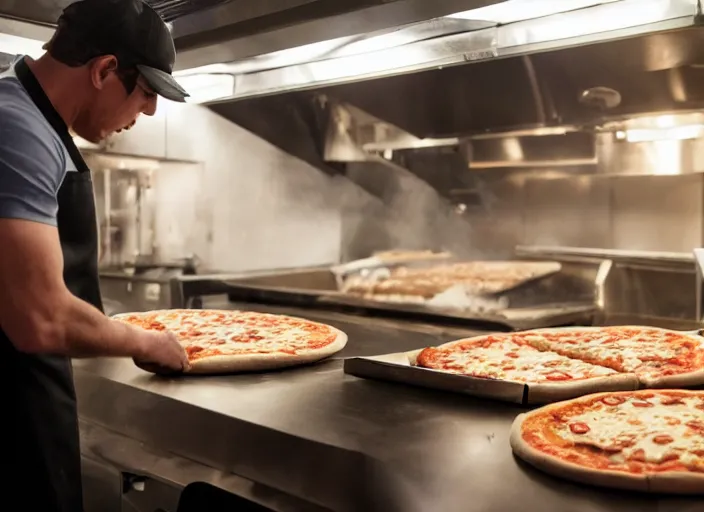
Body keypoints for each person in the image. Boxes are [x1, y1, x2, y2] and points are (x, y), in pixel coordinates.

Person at [0, 0, 191, 510]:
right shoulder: (17, 131)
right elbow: (38, 319)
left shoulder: (31, 121)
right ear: (105, 70)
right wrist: (146, 343)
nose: (149, 111)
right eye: (146, 92)